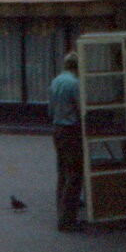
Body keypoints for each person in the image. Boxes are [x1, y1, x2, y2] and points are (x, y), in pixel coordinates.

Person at [49, 52, 83, 231]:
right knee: (75, 173)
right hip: (71, 130)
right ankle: (68, 219)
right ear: (77, 67)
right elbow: (81, 108)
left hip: (57, 128)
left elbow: (50, 109)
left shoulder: (56, 81)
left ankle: (61, 212)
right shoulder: (74, 83)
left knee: (62, 172)